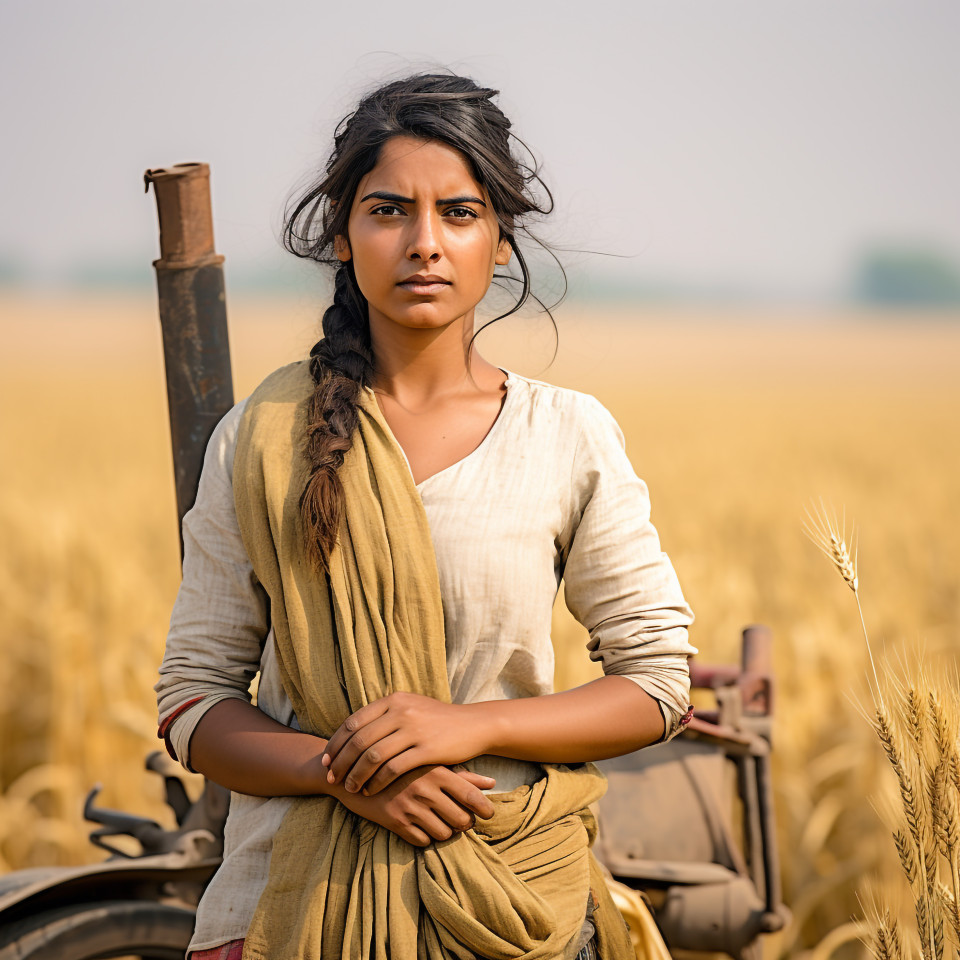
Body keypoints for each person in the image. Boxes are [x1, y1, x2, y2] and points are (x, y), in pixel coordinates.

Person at [154, 71, 697, 960]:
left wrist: (471, 727)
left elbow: (657, 682)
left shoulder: (565, 436)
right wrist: (345, 776)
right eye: (387, 210)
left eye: (458, 213)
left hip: (510, 902)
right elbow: (194, 699)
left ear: (501, 241)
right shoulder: (262, 437)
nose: (423, 244)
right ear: (341, 236)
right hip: (291, 905)